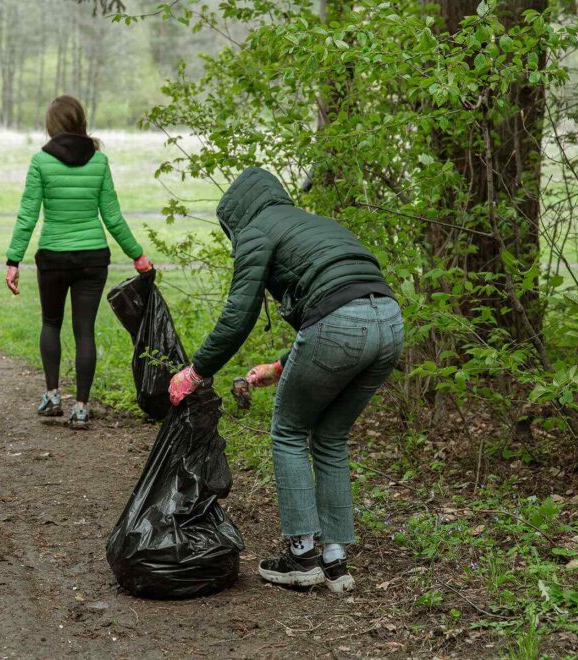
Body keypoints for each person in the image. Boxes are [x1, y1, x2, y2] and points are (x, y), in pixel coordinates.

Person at [168, 166, 403, 593]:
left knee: (288, 431)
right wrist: (279, 366)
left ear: (234, 216)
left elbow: (239, 316)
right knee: (331, 436)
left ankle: (301, 556)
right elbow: (347, 301)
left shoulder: (257, 231)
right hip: (389, 323)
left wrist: (195, 370)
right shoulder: (318, 223)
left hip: (340, 325)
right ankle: (335, 562)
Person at [5, 95, 152, 429]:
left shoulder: (40, 161)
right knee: (85, 329)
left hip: (53, 257)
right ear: (81, 121)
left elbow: (28, 215)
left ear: (52, 125)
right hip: (92, 258)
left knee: (51, 323)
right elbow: (112, 217)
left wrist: (14, 259)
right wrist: (138, 255)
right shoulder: (99, 162)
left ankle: (53, 395)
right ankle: (82, 407)